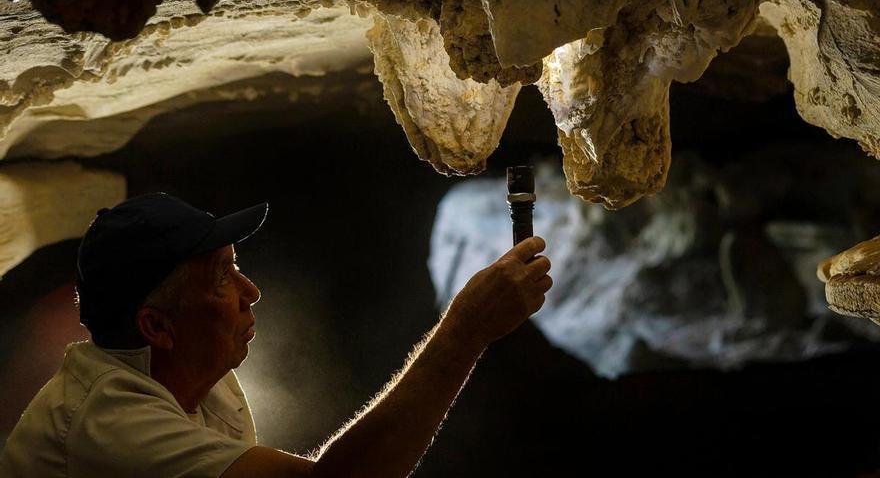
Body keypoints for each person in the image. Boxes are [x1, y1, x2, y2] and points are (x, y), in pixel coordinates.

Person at [0, 192, 552, 478]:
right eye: (222, 277)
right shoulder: (110, 424)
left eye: (237, 265)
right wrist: (466, 330)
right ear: (157, 326)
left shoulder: (198, 377)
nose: (251, 291)